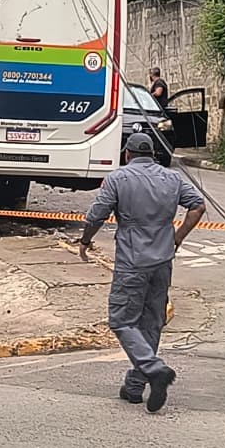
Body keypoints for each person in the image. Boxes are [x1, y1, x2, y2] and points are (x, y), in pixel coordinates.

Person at [76, 132, 206, 413]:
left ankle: (154, 368)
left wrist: (86, 241)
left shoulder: (118, 178)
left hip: (132, 262)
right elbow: (197, 206)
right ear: (153, 155)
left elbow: (97, 214)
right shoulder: (172, 179)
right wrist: (178, 237)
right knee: (151, 322)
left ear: (127, 154)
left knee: (121, 320)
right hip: (163, 261)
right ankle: (135, 386)